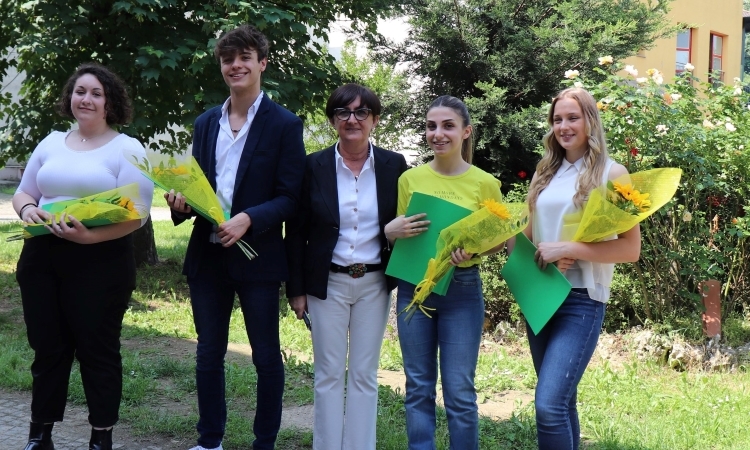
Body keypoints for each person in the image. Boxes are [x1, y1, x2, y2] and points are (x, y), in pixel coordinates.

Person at [165, 24, 305, 450]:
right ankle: (209, 441)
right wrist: (179, 201)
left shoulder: (284, 123)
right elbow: (198, 185)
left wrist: (248, 219)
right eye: (228, 59)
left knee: (265, 356)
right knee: (208, 353)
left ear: (262, 63)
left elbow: (290, 197)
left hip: (258, 256)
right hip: (207, 257)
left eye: (245, 57)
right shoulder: (206, 122)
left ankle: (264, 442)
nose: (236, 65)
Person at [12, 63, 154, 450]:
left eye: (95, 93)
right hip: (41, 256)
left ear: (110, 102)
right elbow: (23, 193)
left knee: (97, 350)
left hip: (101, 261)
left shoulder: (128, 148)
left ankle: (100, 437)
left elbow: (137, 213)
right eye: (80, 92)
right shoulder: (51, 141)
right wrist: (28, 211)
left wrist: (90, 238)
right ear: (70, 98)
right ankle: (39, 435)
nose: (85, 99)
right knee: (48, 348)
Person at [285, 83, 408, 450]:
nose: (352, 120)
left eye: (361, 113)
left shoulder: (394, 165)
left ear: (374, 120)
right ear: (333, 120)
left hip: (373, 283)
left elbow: (405, 222)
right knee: (327, 374)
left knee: (365, 375)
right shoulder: (314, 166)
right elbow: (296, 233)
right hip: (328, 284)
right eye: (343, 112)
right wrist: (296, 290)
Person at [518, 87, 641, 450]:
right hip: (540, 295)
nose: (564, 126)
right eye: (557, 119)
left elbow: (630, 249)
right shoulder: (545, 172)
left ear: (590, 121)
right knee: (561, 402)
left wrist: (571, 248)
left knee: (548, 404)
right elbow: (526, 238)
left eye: (572, 117)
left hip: (580, 300)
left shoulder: (613, 173)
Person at [384, 95, 504, 450]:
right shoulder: (409, 180)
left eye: (448, 126)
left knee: (459, 391)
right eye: (431, 126)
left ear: (466, 132)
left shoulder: (485, 184)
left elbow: (497, 240)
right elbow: (401, 237)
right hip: (414, 288)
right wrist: (391, 232)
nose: (438, 133)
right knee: (418, 386)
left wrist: (477, 248)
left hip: (463, 290)